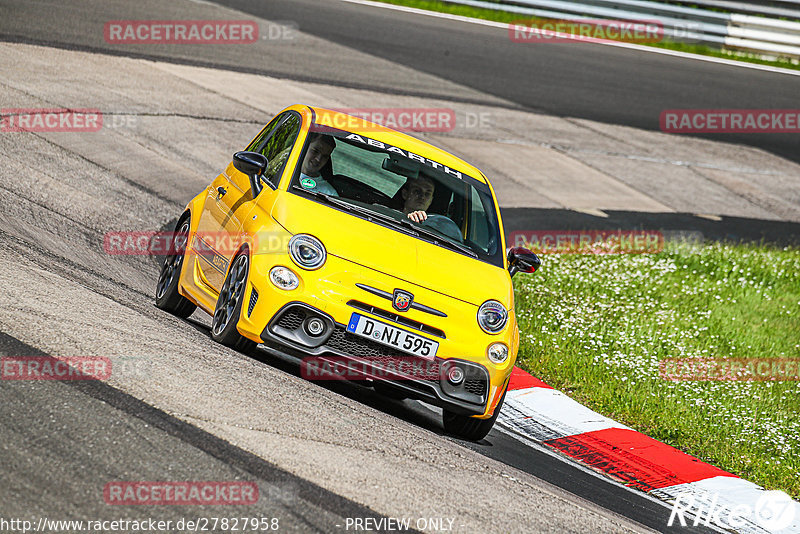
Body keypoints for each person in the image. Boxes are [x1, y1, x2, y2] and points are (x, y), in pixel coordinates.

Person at [399, 176, 462, 242]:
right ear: (405, 194)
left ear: (431, 200)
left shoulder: (437, 230)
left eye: (427, 194)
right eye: (417, 191)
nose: (422, 197)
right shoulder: (391, 217)